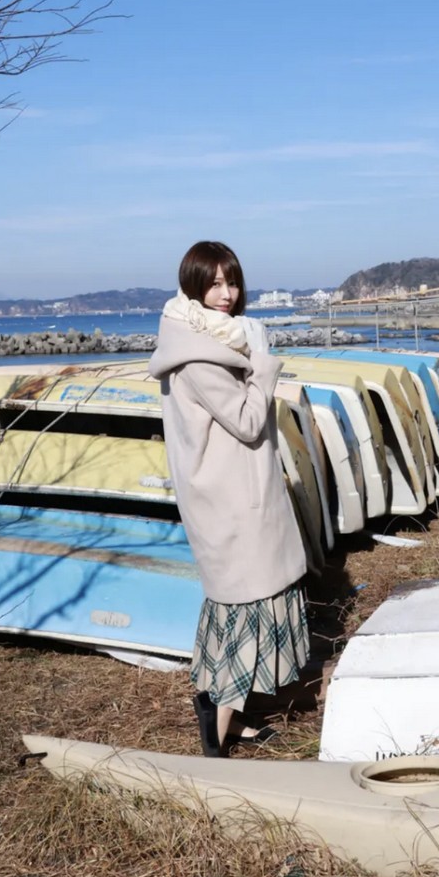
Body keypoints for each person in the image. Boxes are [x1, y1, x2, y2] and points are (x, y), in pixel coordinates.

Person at [149, 240, 309, 757]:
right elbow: (245, 421)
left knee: (237, 607)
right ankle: (214, 725)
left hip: (228, 493)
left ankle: (230, 718)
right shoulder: (201, 354)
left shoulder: (202, 337)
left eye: (232, 281)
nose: (226, 293)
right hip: (232, 500)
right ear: (193, 285)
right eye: (214, 283)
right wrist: (263, 365)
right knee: (247, 607)